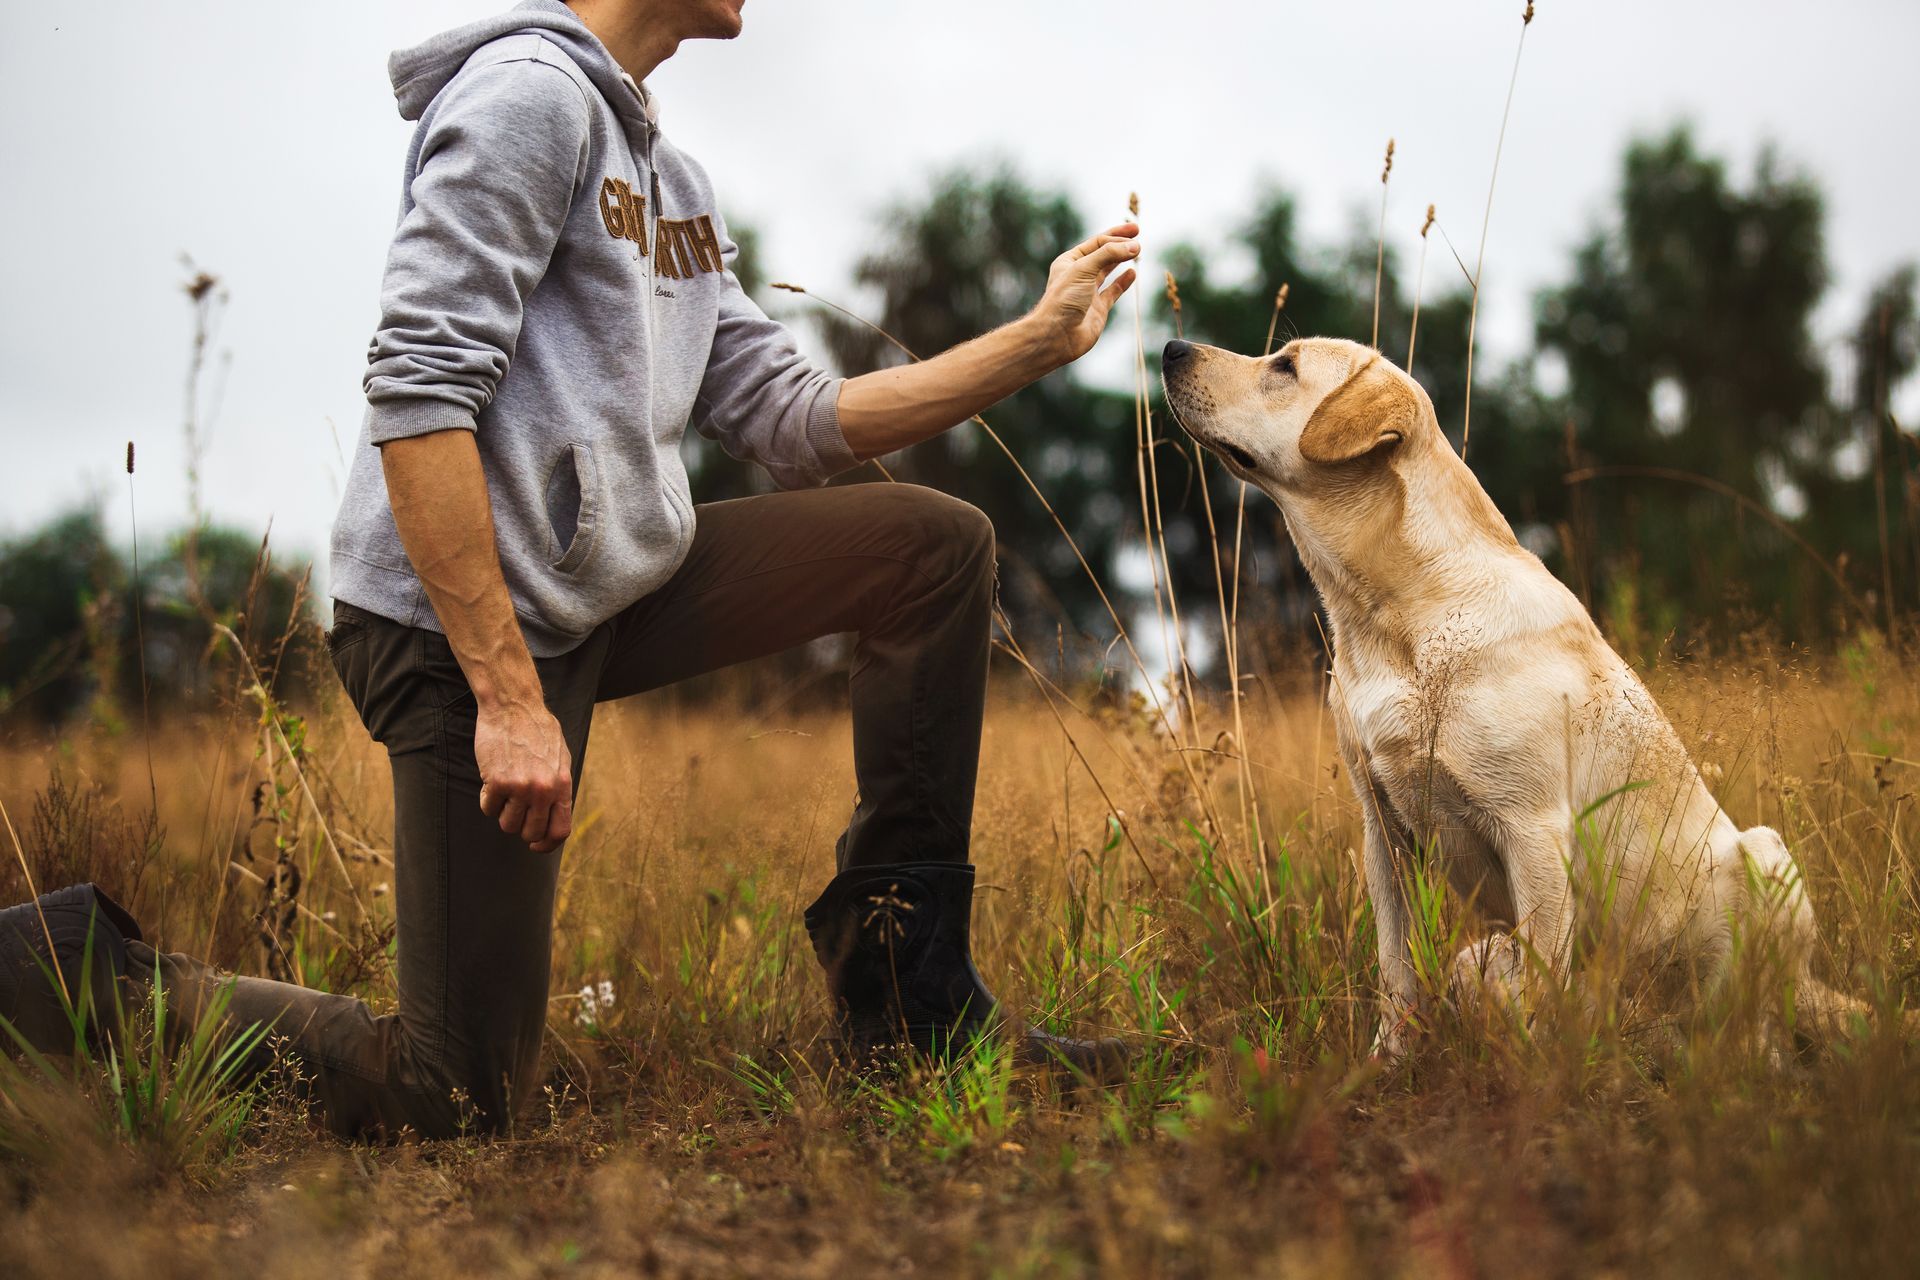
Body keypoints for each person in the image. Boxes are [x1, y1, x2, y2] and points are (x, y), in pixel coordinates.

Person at [0, 0, 1140, 1138]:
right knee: (455, 1088)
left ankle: (908, 1002)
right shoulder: (526, 101)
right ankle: (60, 968)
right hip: (456, 626)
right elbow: (417, 393)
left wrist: (1034, 342)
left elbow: (793, 418)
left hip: (606, 592)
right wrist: (506, 696)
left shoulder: (671, 179)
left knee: (929, 548)